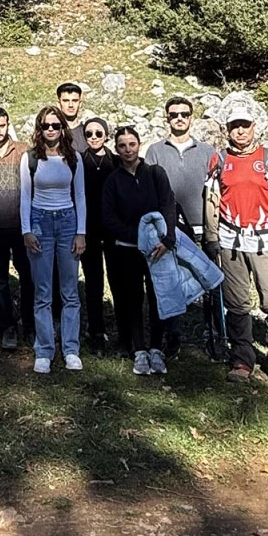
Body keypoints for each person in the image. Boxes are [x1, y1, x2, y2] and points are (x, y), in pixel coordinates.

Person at [207, 96, 268, 390]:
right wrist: (212, 238)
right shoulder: (219, 160)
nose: (240, 131)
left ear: (254, 127)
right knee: (237, 304)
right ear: (227, 129)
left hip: (266, 242)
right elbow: (212, 201)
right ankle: (242, 361)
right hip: (231, 242)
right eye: (235, 126)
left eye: (245, 125)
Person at [145, 95, 224, 359]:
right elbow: (152, 190)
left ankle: (215, 336)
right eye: (174, 114)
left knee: (211, 281)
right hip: (172, 229)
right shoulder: (155, 151)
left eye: (184, 114)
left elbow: (217, 191)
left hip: (205, 227)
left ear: (192, 117)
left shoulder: (208, 151)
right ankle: (173, 337)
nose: (179, 118)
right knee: (172, 283)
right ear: (167, 118)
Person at [101, 126, 180, 375]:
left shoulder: (155, 173)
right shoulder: (113, 181)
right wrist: (135, 236)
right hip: (128, 249)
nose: (128, 150)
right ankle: (139, 350)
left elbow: (168, 204)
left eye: (132, 144)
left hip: (158, 249)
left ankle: (156, 348)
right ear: (116, 149)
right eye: (122, 146)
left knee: (157, 297)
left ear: (139, 145)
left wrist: (167, 238)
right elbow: (108, 218)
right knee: (132, 298)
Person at [20, 105, 86, 373]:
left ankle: (71, 349)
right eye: (45, 125)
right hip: (40, 221)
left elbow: (80, 195)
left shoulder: (74, 158)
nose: (50, 130)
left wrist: (81, 232)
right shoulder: (30, 158)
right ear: (39, 128)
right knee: (42, 291)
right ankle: (44, 350)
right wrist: (26, 230)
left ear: (62, 128)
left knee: (69, 291)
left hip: (68, 221)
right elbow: (25, 195)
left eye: (55, 125)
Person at [0, 105, 32, 351]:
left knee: (28, 276)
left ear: (8, 125)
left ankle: (30, 324)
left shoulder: (24, 150)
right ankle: (6, 326)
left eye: (2, 126)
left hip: (22, 226)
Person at [80, 118, 117, 350]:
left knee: (117, 280)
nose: (94, 137)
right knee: (93, 282)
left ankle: (124, 331)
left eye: (98, 133)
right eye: (89, 133)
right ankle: (95, 330)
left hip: (113, 230)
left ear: (106, 135)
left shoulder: (116, 161)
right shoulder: (78, 161)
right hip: (88, 229)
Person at [56, 82, 89, 153]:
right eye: (66, 101)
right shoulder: (51, 131)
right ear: (58, 103)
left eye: (75, 101)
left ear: (80, 104)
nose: (70, 105)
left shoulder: (88, 132)